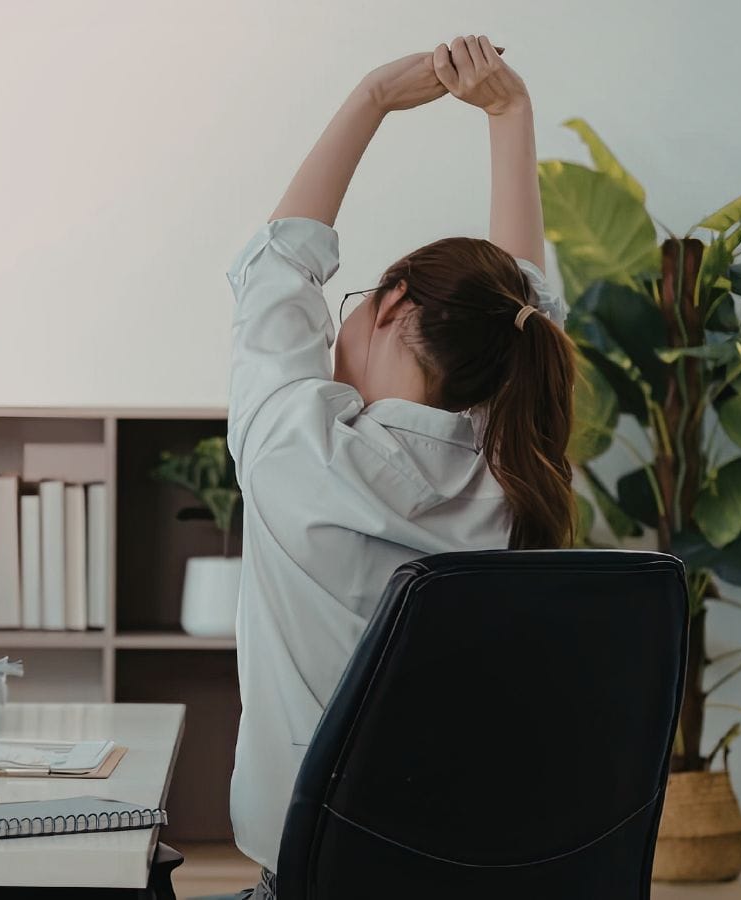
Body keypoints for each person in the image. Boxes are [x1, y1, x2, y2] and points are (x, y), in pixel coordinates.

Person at [223, 37, 575, 897]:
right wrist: (510, 114)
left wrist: (374, 95)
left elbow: (276, 266)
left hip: (314, 882)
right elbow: (529, 310)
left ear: (390, 307)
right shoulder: (513, 472)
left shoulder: (297, 450)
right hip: (483, 876)